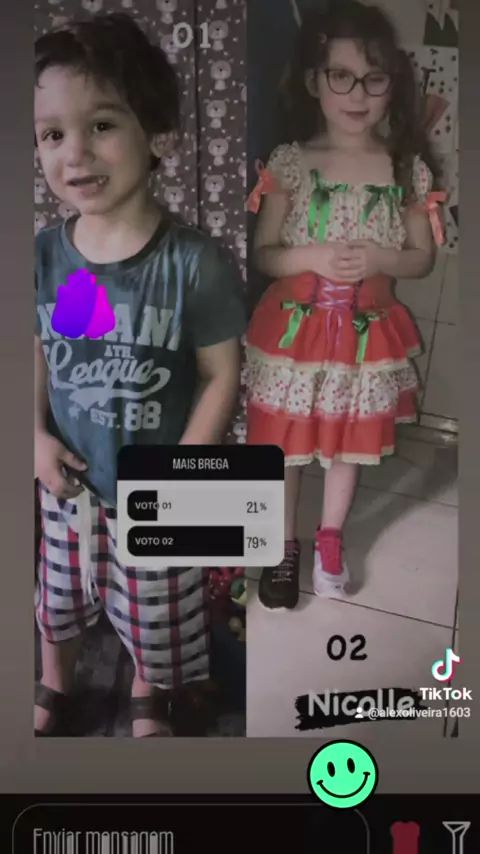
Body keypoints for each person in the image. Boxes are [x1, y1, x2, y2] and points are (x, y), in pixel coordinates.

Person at [34, 13, 246, 736]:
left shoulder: (196, 263)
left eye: (101, 125)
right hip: (69, 485)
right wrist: (33, 437)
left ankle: (149, 686)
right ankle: (54, 677)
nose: (75, 153)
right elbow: (36, 353)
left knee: (156, 609)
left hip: (159, 491)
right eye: (52, 134)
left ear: (156, 133)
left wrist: (185, 472)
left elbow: (221, 374)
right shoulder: (44, 257)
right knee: (57, 597)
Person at [245, 1, 445, 612]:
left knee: (346, 444)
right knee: (286, 446)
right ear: (315, 81)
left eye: (373, 78)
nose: (358, 94)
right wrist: (309, 256)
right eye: (342, 76)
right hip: (295, 337)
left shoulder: (405, 168)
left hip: (365, 336)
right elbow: (263, 253)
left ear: (392, 85)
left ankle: (330, 537)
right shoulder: (290, 162)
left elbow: (422, 258)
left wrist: (383, 259)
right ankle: (283, 544)